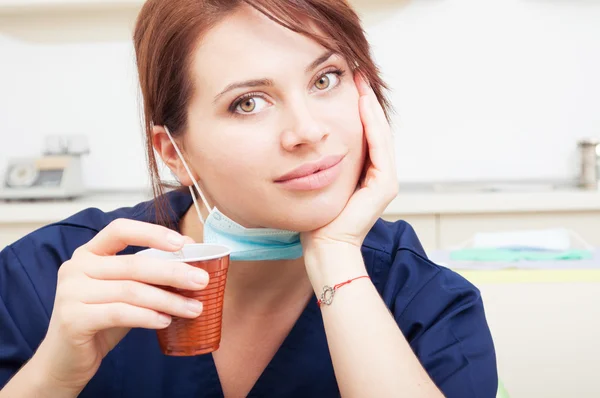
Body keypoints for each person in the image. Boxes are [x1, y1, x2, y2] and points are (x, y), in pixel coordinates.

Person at [0, 0, 497, 397]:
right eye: (248, 103)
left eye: (325, 79)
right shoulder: (45, 279)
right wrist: (53, 379)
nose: (307, 130)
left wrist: (335, 256)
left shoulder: (424, 302)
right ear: (173, 151)